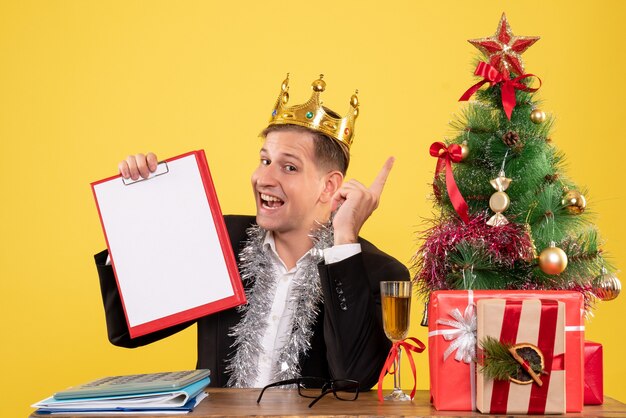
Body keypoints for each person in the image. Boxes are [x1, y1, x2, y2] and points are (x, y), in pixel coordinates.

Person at [95, 75, 409, 390]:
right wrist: (135, 211)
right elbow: (129, 330)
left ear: (328, 186)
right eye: (264, 160)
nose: (264, 178)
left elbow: (353, 378)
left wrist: (343, 242)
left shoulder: (376, 272)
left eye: (289, 167)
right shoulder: (223, 241)